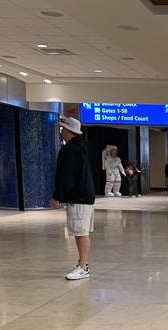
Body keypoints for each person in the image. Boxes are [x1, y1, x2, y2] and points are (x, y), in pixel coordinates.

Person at [50, 116, 95, 280]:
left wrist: (57, 196)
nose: (61, 132)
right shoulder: (81, 148)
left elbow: (67, 175)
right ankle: (82, 263)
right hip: (85, 196)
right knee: (80, 231)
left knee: (81, 232)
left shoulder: (71, 150)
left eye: (63, 129)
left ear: (69, 131)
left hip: (79, 197)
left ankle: (83, 266)